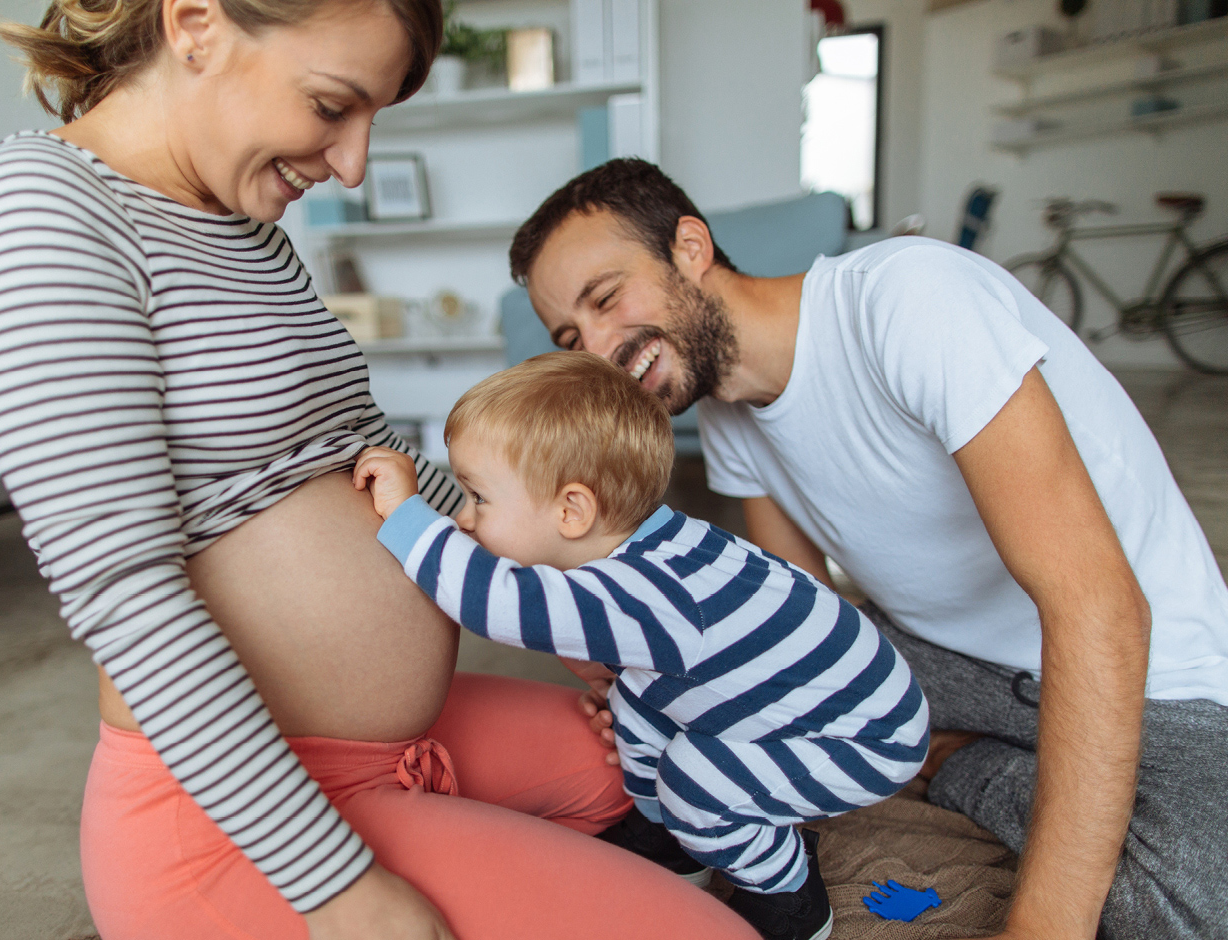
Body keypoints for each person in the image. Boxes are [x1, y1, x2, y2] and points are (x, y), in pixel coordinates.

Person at [0, 7, 760, 938]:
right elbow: (124, 594)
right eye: (333, 104)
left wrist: (557, 598)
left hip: (404, 741)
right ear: (196, 22)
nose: (353, 163)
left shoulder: (243, 227)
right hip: (230, 817)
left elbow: (373, 459)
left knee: (659, 762)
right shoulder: (36, 212)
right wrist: (340, 890)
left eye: (374, 118)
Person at [505, 158, 1228, 940]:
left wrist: (1044, 928)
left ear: (690, 247)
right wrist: (649, 682)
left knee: (1179, 906)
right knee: (686, 712)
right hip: (934, 660)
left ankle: (956, 764)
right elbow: (798, 628)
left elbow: (1097, 604)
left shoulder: (909, 298)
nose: (601, 349)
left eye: (608, 299)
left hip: (1149, 670)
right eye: (572, 337)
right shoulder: (729, 420)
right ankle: (956, 758)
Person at [353, 351, 931, 940]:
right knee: (632, 702)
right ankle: (670, 838)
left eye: (478, 497)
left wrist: (407, 515)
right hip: (802, 697)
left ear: (572, 510)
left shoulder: (649, 590)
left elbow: (497, 604)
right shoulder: (652, 540)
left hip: (861, 734)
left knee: (695, 780)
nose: (466, 519)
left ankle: (787, 891)